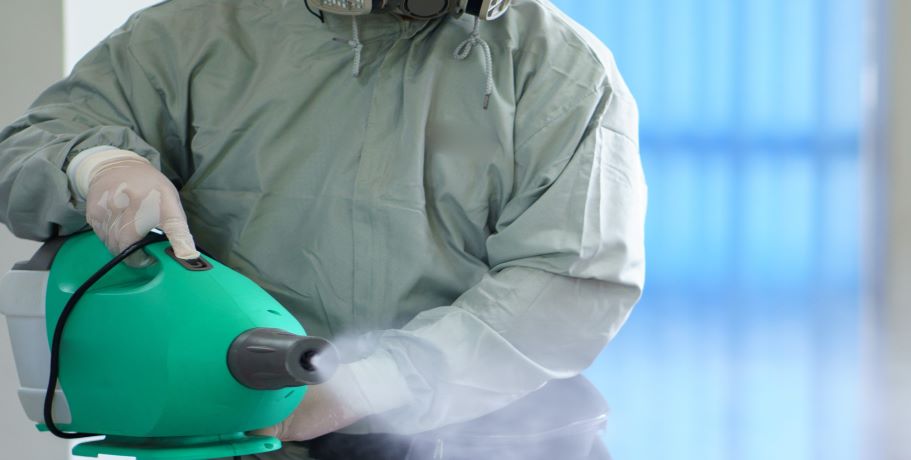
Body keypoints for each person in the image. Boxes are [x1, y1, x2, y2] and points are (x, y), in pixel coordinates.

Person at [0, 0, 644, 457]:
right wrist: (95, 164)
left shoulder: (555, 69)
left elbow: (569, 281)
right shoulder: (192, 35)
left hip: (473, 433)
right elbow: (33, 143)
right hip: (230, 433)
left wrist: (374, 382)